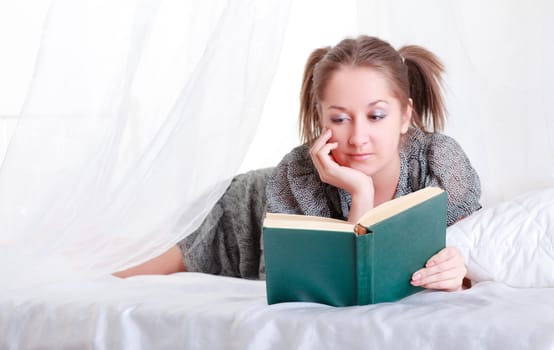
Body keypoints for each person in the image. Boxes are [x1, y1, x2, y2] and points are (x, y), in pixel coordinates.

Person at [116, 35, 481, 293]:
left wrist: (457, 271)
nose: (357, 137)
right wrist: (361, 191)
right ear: (320, 119)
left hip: (268, 204)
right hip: (242, 210)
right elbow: (342, 287)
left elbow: (468, 259)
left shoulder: (439, 165)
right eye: (339, 119)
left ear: (405, 117)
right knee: (116, 272)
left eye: (376, 116)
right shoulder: (298, 175)